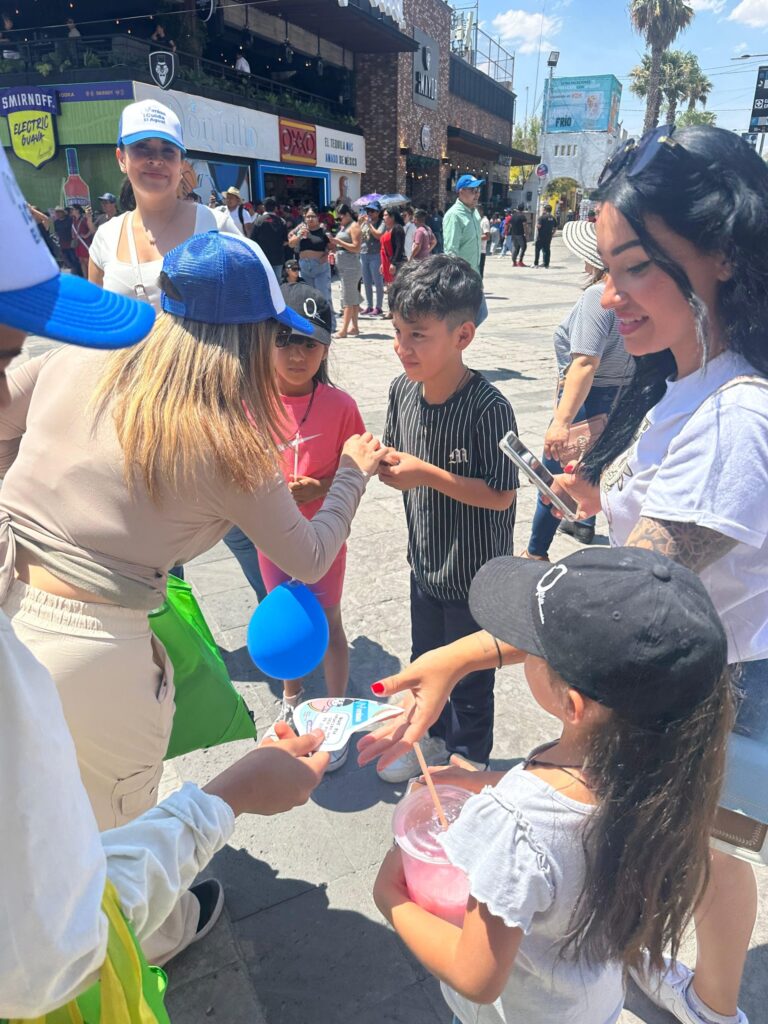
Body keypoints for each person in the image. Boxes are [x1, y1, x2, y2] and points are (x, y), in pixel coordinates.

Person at [361, 124, 768, 1024]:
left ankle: (712, 1000)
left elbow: (618, 611)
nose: (610, 297)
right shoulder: (684, 383)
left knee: (688, 854)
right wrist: (603, 506)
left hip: (682, 690)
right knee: (682, 856)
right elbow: (644, 557)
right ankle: (691, 980)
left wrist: (461, 656)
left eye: (635, 268)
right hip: (668, 679)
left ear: (721, 257)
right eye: (605, 269)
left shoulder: (736, 416)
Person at [0, 145, 331, 1018]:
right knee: (106, 827)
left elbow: (7, 405)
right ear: (259, 334)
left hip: (9, 592)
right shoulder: (233, 438)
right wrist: (358, 477)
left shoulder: (83, 348)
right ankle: (162, 932)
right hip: (90, 647)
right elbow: (305, 559)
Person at [373, 546, 733, 1024]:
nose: (517, 648)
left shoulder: (513, 826)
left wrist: (389, 896)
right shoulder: (662, 772)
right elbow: (576, 805)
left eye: (533, 647)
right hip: (593, 1005)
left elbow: (477, 974)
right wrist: (482, 781)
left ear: (574, 706)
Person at [376, 255, 518, 782]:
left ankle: (469, 759)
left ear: (463, 335)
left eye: (418, 335)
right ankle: (430, 738)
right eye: (396, 332)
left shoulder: (489, 408)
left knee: (472, 676)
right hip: (426, 562)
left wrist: (426, 474)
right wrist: (379, 460)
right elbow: (398, 455)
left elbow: (502, 496)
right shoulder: (402, 391)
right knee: (424, 659)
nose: (402, 348)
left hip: (478, 575)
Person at [251, 283, 366, 770]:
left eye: (309, 343)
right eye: (286, 340)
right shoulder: (250, 401)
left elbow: (358, 467)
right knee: (284, 615)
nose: (297, 354)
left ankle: (337, 713)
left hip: (324, 538)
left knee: (330, 621)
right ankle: (293, 695)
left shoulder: (340, 406)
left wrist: (317, 489)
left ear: (325, 349)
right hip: (272, 540)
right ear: (267, 342)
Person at [524, 219, 634, 556]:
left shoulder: (597, 296)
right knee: (596, 470)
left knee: (555, 480)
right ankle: (585, 524)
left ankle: (535, 551)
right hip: (623, 398)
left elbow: (584, 364)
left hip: (587, 399)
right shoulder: (634, 295)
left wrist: (560, 421)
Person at [89, 100, 224, 312]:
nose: (156, 159)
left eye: (168, 150)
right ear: (121, 158)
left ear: (181, 163)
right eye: (142, 147)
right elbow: (96, 321)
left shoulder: (215, 224)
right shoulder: (106, 237)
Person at [288, 203, 334, 323]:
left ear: (318, 217)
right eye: (307, 216)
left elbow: (332, 246)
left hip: (320, 266)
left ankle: (330, 323)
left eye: (312, 216)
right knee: (308, 297)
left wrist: (327, 254)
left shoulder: (323, 230)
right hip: (304, 266)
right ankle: (313, 322)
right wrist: (299, 236)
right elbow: (291, 244)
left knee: (323, 296)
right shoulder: (301, 229)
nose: (310, 219)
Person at [442, 175, 483, 275]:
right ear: (461, 191)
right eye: (473, 190)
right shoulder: (454, 215)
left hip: (475, 272)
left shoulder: (475, 212)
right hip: (461, 276)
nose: (477, 194)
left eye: (478, 190)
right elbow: (451, 251)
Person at [332, 203, 362, 338]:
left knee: (348, 298)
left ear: (347, 215)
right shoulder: (346, 226)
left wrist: (339, 242)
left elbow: (356, 247)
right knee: (352, 297)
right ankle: (354, 327)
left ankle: (343, 329)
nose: (339, 220)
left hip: (351, 266)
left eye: (340, 218)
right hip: (345, 265)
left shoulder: (354, 226)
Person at [359, 200, 385, 318]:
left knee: (377, 282)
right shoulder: (364, 222)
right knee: (367, 282)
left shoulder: (381, 222)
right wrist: (359, 223)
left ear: (378, 212)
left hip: (375, 255)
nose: (369, 213)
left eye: (372, 211)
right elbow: (358, 235)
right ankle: (369, 305)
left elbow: (378, 235)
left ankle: (378, 307)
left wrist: (369, 224)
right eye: (368, 210)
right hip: (364, 253)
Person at [251, 195, 288, 277]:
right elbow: (285, 242)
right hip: (278, 258)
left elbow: (252, 240)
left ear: (263, 207)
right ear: (275, 208)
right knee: (277, 282)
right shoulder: (282, 221)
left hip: (263, 258)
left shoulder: (258, 221)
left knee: (264, 281)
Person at [379, 206, 406, 320]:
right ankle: (391, 310)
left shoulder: (398, 229)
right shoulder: (387, 229)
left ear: (392, 217)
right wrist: (382, 264)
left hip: (395, 262)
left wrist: (394, 263)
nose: (384, 218)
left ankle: (396, 311)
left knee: (396, 288)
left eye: (386, 215)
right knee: (389, 288)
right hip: (386, 261)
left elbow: (399, 248)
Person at [53, 206, 82, 276]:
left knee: (75, 260)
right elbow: (56, 232)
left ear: (63, 213)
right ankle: (75, 273)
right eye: (56, 212)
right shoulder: (56, 222)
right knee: (68, 261)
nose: (58, 214)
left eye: (59, 212)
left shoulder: (70, 219)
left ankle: (79, 274)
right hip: (63, 245)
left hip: (71, 244)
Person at [71, 204, 94, 278]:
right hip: (78, 243)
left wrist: (86, 235)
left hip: (85, 243)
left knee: (87, 261)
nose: (71, 211)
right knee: (81, 261)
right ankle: (85, 277)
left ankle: (92, 278)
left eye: (73, 209)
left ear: (77, 210)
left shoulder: (84, 219)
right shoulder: (74, 220)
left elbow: (91, 229)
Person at [534, 204, 557, 268]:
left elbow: (539, 226)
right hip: (548, 236)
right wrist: (552, 234)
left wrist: (537, 225)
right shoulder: (553, 218)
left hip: (541, 236)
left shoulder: (542, 217)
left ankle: (536, 263)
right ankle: (546, 264)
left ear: (545, 209)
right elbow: (555, 227)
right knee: (547, 250)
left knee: (537, 250)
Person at [478, 206, 490, 278]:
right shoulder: (479, 220)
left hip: (481, 250)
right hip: (476, 250)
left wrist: (474, 238)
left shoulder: (484, 221)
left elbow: (487, 236)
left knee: (479, 272)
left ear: (481, 211)